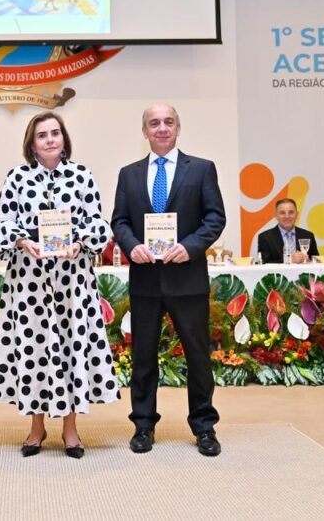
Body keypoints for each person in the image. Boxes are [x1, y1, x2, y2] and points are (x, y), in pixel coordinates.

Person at [0, 113, 118, 459]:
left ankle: (70, 429)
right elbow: (3, 224)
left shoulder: (82, 175)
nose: (49, 139)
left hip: (72, 279)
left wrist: (81, 243)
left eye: (55, 133)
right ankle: (36, 427)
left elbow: (97, 222)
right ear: (32, 143)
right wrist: (21, 241)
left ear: (64, 139)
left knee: (71, 347)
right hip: (29, 281)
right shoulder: (16, 177)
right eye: (42, 135)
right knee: (34, 350)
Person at [111, 103, 226, 457]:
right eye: (154, 123)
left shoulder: (202, 169)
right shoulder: (128, 174)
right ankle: (143, 426)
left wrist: (189, 247)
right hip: (145, 280)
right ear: (144, 130)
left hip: (187, 279)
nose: (161, 128)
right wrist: (132, 246)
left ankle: (204, 427)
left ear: (178, 127)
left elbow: (215, 218)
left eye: (168, 122)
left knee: (197, 357)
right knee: (143, 357)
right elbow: (119, 221)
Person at [256, 198, 319, 264]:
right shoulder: (265, 237)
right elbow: (263, 263)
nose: (287, 216)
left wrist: (309, 261)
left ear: (297, 214)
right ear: (276, 215)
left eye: (291, 212)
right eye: (282, 213)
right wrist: (289, 260)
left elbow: (317, 261)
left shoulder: (308, 235)